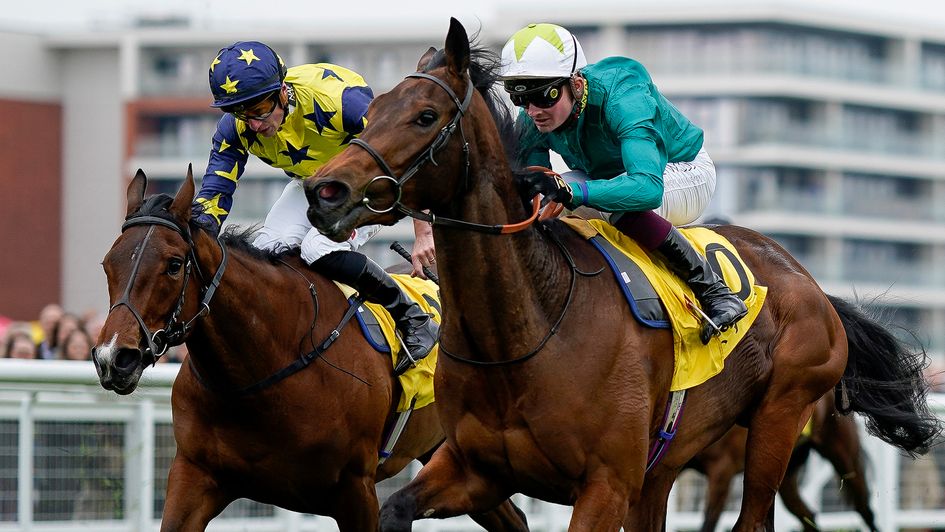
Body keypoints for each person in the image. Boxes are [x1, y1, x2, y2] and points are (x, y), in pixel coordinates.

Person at [194, 41, 437, 374]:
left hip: (366, 184)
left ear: (282, 92)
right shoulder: (235, 128)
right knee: (264, 254)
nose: (254, 125)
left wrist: (423, 231)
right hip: (313, 181)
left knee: (318, 248)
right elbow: (214, 194)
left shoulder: (340, 103)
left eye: (260, 109)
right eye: (240, 113)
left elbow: (406, 156)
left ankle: (411, 315)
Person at [501, 23, 747, 343]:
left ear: (576, 84)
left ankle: (714, 291)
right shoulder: (533, 119)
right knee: (553, 197)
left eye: (543, 96)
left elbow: (647, 188)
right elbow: (535, 195)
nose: (533, 111)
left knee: (595, 198)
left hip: (683, 172)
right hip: (614, 179)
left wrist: (577, 192)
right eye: (520, 98)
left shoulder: (624, 95)